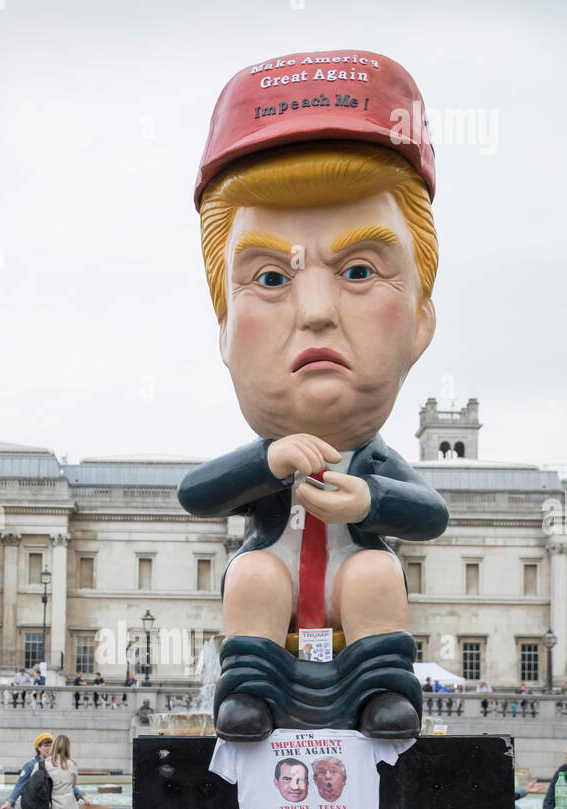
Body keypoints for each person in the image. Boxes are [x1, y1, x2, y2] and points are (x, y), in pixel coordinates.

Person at [177, 52, 448, 743]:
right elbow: (196, 493)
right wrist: (266, 463)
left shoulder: (372, 460)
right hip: (277, 594)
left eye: (360, 269)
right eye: (270, 278)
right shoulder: (269, 460)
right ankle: (249, 696)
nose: (318, 312)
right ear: (225, 331)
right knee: (254, 578)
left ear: (420, 323)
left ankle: (385, 692)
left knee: (376, 574)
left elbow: (431, 514)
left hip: (347, 589)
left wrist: (369, 502)